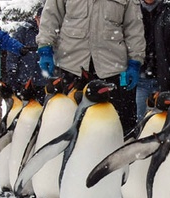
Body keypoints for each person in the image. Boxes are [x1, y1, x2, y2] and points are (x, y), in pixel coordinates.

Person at [37, 0, 146, 133]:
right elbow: (51, 15)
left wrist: (135, 61)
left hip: (112, 70)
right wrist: (45, 47)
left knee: (117, 128)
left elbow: (134, 27)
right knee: (65, 126)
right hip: (71, 67)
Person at [137, 0, 170, 119]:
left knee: (163, 125)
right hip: (139, 79)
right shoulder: (133, 9)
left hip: (165, 81)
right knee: (140, 124)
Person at [6, 7, 45, 103]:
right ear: (36, 18)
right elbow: (12, 53)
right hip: (24, 81)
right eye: (41, 19)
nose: (44, 23)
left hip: (44, 83)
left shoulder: (53, 33)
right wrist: (12, 72)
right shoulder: (24, 31)